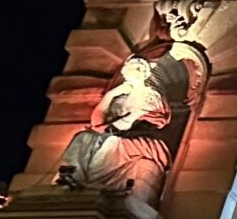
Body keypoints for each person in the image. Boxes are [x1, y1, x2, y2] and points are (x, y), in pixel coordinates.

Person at [55, 39, 204, 206]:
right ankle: (73, 176)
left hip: (140, 139)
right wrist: (110, 95)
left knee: (111, 143)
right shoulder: (119, 94)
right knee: (82, 137)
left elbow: (140, 119)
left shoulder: (151, 95)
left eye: (141, 68)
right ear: (125, 71)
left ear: (146, 74)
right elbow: (97, 121)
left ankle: (91, 182)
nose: (136, 70)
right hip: (115, 133)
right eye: (133, 66)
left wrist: (112, 128)